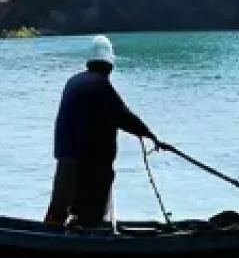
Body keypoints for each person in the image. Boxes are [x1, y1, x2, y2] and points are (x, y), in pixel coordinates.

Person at [44, 36, 157, 229]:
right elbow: (124, 117)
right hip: (88, 163)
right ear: (110, 66)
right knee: (92, 210)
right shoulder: (101, 87)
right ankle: (88, 235)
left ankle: (49, 236)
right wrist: (151, 136)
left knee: (60, 204)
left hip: (66, 157)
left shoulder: (74, 82)